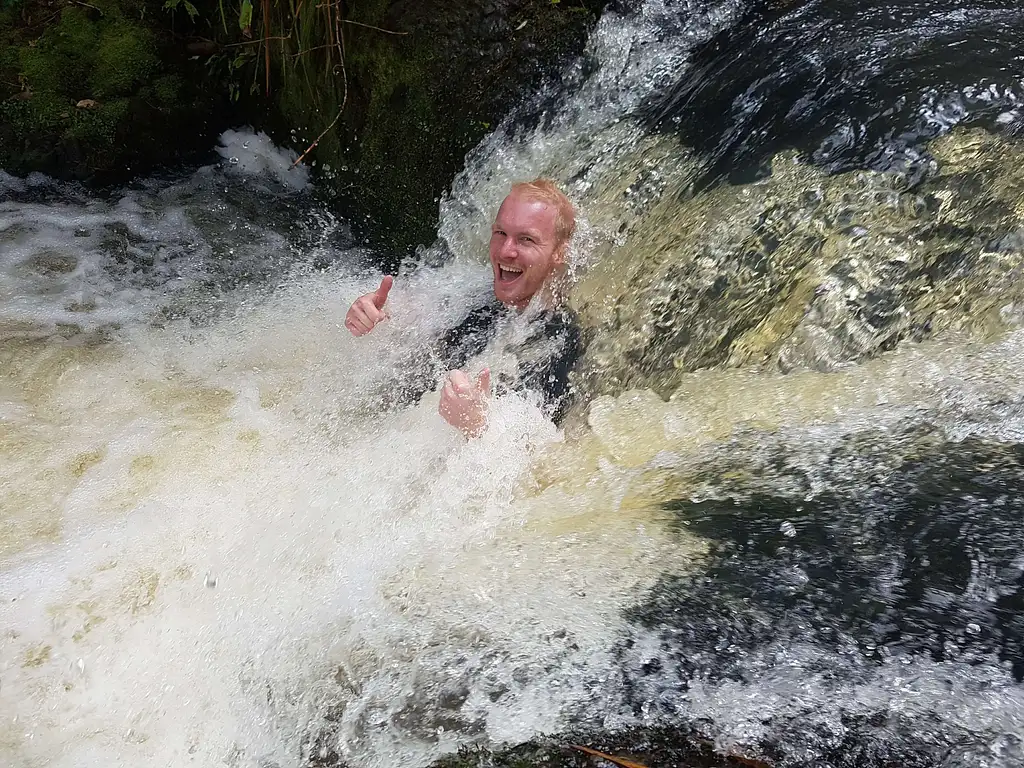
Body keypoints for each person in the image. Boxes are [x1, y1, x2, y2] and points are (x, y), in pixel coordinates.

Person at [345, 178, 584, 438]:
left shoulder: (560, 340)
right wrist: (371, 313)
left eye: (526, 240)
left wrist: (478, 426)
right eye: (500, 233)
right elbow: (404, 314)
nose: (505, 251)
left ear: (559, 253)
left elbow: (540, 452)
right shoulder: (472, 290)